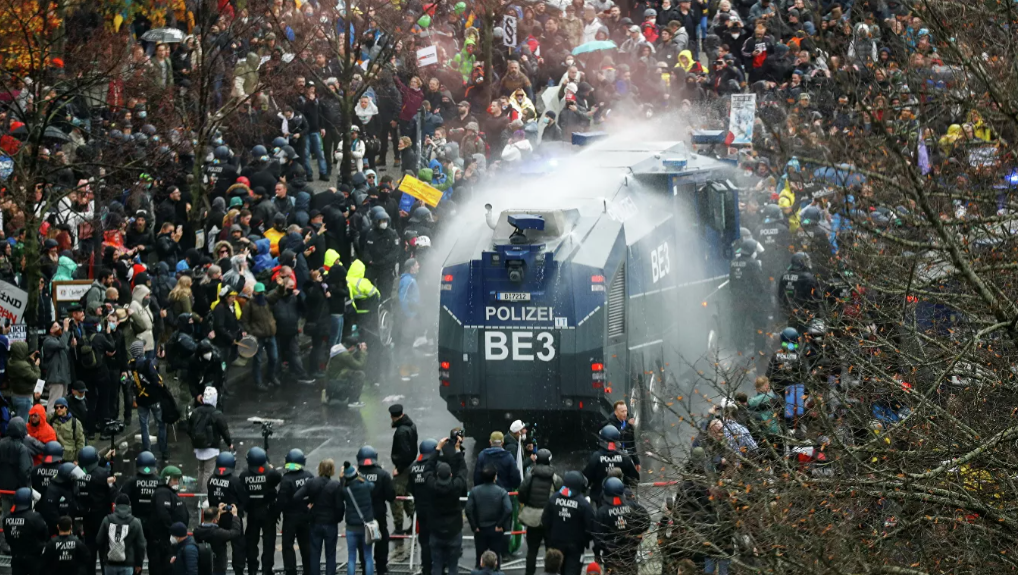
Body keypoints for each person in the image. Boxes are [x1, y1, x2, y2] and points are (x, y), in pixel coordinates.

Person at [426, 435, 468, 575]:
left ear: (437, 475)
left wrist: (437, 449)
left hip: (436, 531)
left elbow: (427, 469)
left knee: (436, 565)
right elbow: (463, 471)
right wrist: (457, 451)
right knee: (453, 566)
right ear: (451, 475)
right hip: (453, 531)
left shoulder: (432, 486)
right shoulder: (455, 487)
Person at [296, 458, 346, 575]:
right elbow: (340, 506)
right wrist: (337, 518)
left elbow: (297, 497)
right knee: (330, 554)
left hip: (315, 522)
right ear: (332, 470)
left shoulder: (311, 482)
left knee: (315, 553)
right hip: (330, 523)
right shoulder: (335, 485)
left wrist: (307, 506)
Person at [592, 478, 650, 575]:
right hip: (630, 555)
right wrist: (636, 534)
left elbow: (597, 537)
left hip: (611, 558)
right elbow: (646, 521)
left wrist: (597, 554)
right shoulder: (633, 507)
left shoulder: (602, 512)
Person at [518, 449, 562, 575]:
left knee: (532, 550)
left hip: (533, 518)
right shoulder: (555, 478)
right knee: (551, 549)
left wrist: (528, 503)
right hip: (549, 519)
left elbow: (522, 493)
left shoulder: (530, 475)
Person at [541, 471, 595, 575]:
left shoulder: (553, 499)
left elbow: (545, 520)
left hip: (555, 545)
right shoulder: (583, 504)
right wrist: (584, 540)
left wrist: (550, 539)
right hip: (575, 547)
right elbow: (591, 526)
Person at [240, 447, 282, 575]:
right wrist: (271, 467)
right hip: (269, 512)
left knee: (251, 542)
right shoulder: (271, 473)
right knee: (269, 543)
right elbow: (277, 478)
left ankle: (252, 569)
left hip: (252, 512)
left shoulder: (244, 475)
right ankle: (267, 570)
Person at [77, 445, 118, 574]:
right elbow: (114, 494)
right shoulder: (104, 474)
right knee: (104, 552)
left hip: (86, 518)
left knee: (89, 551)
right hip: (102, 518)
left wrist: (105, 459)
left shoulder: (76, 474)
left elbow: (91, 471)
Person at [206, 452, 248, 575]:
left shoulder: (211, 479)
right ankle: (238, 570)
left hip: (217, 517)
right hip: (233, 518)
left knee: (218, 549)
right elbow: (244, 499)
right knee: (238, 547)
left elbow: (211, 500)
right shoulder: (235, 481)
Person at [355, 446, 394, 575]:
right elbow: (391, 496)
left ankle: (365, 566)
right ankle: (381, 567)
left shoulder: (355, 475)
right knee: (382, 539)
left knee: (363, 541)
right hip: (378, 514)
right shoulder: (383, 474)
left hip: (360, 514)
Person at [188, 387, 233, 493]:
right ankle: (204, 497)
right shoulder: (216, 413)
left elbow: (189, 429)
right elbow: (224, 430)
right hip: (211, 447)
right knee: (208, 472)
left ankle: (200, 493)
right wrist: (229, 443)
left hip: (198, 446)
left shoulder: (195, 412)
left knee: (201, 470)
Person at [129, 339, 168, 461]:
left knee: (144, 426)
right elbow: (156, 380)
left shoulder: (130, 364)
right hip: (154, 399)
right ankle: (164, 452)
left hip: (141, 400)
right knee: (161, 425)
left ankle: (147, 452)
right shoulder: (147, 363)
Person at [466, 466, 512, 567]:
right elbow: (508, 509)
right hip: (495, 529)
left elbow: (468, 510)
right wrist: (500, 524)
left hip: (480, 529)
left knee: (479, 559)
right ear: (495, 477)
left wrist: (474, 526)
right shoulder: (501, 492)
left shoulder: (474, 491)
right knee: (495, 559)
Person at [278, 448, 314, 575]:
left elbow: (281, 501)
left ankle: (290, 571)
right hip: (306, 516)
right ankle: (309, 570)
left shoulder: (286, 479)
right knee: (306, 545)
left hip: (290, 518)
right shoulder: (309, 475)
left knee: (288, 546)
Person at [583, 425, 639, 505]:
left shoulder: (596, 457)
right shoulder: (624, 457)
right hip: (621, 500)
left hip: (599, 500)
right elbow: (634, 479)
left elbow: (585, 480)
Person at [0, 416, 32, 553]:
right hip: (18, 489)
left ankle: (4, 541)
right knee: (22, 516)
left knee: (5, 515)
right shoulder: (22, 448)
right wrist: (26, 488)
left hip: (3, 488)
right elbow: (25, 470)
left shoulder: (1, 443)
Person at [152, 466, 190, 575]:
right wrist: (173, 532)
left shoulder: (170, 492)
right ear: (167, 479)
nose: (177, 482)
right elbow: (163, 514)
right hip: (165, 541)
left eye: (178, 479)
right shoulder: (162, 493)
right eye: (174, 479)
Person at [97, 493, 148, 575]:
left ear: (115, 505)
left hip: (110, 564)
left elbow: (99, 540)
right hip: (127, 564)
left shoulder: (107, 520)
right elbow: (141, 545)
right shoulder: (135, 522)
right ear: (129, 505)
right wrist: (139, 564)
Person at [5, 487, 51, 575]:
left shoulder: (7, 518)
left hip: (16, 557)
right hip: (34, 557)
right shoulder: (35, 517)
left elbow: (8, 538)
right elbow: (45, 534)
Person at [408, 438, 438, 575]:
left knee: (424, 541)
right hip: (435, 509)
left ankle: (426, 569)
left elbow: (411, 488)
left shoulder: (413, 467)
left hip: (420, 509)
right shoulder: (436, 466)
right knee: (437, 540)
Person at [340, 460, 376, 575]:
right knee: (368, 556)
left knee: (351, 557)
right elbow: (372, 484)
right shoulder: (365, 486)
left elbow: (341, 489)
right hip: (366, 527)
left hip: (351, 527)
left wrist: (342, 478)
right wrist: (359, 474)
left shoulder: (346, 491)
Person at [389, 403, 417, 539]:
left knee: (396, 497)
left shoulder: (401, 432)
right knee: (407, 496)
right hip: (410, 466)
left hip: (403, 468)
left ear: (392, 416)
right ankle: (415, 522)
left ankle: (398, 528)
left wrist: (399, 469)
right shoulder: (411, 426)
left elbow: (405, 453)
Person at [193, 504, 244, 575]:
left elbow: (210, 524)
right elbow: (235, 533)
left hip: (202, 564)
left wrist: (218, 512)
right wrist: (235, 516)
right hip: (218, 566)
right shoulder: (218, 533)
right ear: (215, 520)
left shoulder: (197, 531)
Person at [39, 462, 80, 534]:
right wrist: (63, 526)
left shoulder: (72, 484)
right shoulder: (53, 490)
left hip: (70, 521)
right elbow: (51, 511)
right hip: (59, 527)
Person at [49, 396, 85, 462]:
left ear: (66, 408)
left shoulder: (75, 423)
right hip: (55, 457)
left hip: (69, 458)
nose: (59, 409)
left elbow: (80, 442)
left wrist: (77, 460)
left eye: (61, 407)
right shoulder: (52, 420)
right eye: (56, 407)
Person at [606, 401, 640, 471]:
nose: (625, 414)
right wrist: (628, 426)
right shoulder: (611, 424)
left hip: (627, 455)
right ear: (616, 413)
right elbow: (618, 436)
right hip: (616, 457)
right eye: (622, 412)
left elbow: (632, 442)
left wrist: (636, 461)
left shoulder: (627, 422)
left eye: (626, 411)